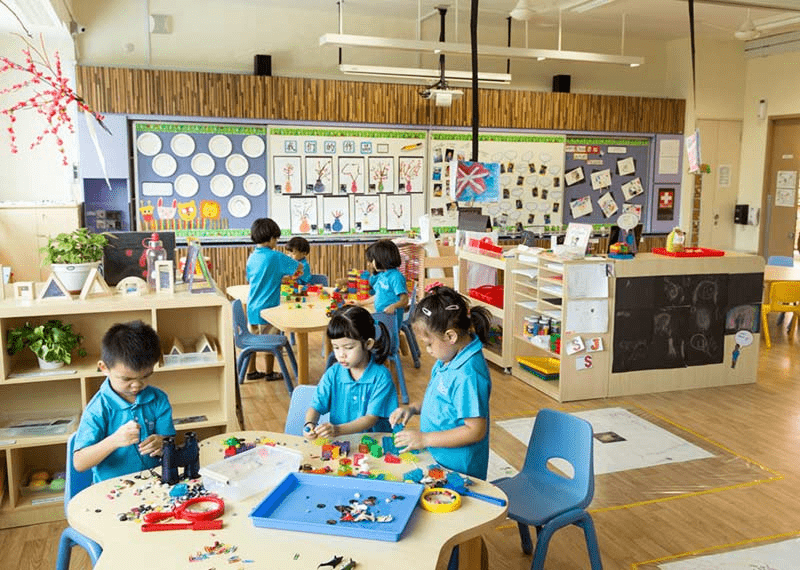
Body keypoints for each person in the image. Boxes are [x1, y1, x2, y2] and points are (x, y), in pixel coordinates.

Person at [390, 286, 492, 480]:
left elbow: (475, 430)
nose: (428, 350)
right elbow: (441, 400)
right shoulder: (448, 358)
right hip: (438, 458)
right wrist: (413, 408)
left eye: (429, 344)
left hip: (459, 469)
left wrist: (425, 438)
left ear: (451, 336)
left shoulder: (468, 375)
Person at [73, 321, 175, 483]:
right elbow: (79, 463)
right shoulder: (98, 409)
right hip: (111, 488)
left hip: (154, 484)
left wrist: (162, 444)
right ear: (104, 368)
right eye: (126, 379)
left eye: (145, 376)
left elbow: (170, 442)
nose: (136, 385)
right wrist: (114, 441)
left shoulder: (158, 399)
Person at [304, 305, 397, 439]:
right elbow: (316, 406)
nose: (341, 354)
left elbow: (370, 418)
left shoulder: (381, 377)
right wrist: (309, 424)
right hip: (342, 443)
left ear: (368, 344)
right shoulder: (333, 373)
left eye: (348, 347)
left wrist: (336, 430)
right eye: (336, 347)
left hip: (373, 445)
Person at [246, 217, 301, 380]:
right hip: (269, 308)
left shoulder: (252, 256)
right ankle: (269, 372)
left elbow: (252, 279)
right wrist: (289, 277)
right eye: (276, 238)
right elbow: (298, 267)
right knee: (271, 342)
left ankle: (251, 371)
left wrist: (276, 278)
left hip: (252, 307)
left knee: (253, 342)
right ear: (271, 238)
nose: (276, 242)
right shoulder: (275, 256)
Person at [356, 239, 409, 333]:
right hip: (381, 315)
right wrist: (361, 303)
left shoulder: (396, 277)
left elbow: (404, 300)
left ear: (382, 259)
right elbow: (379, 295)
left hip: (391, 319)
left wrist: (394, 306)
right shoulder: (382, 275)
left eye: (372, 260)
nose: (370, 263)